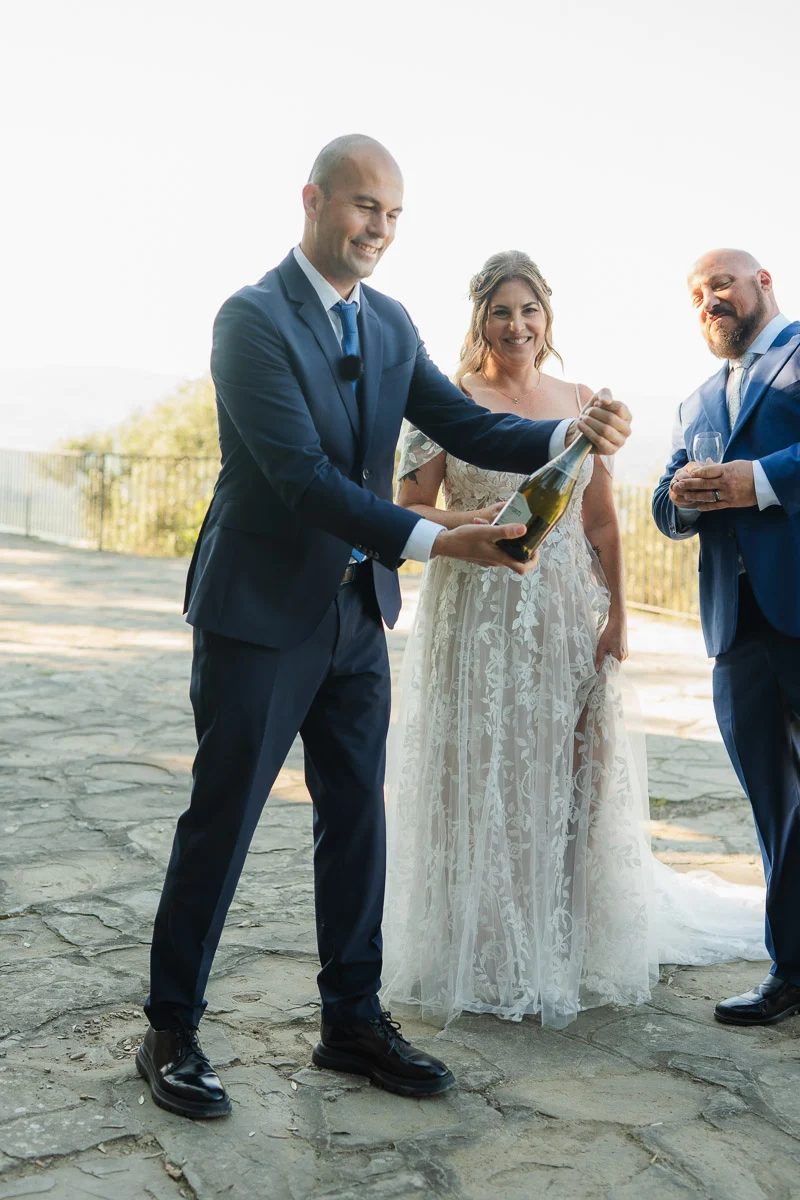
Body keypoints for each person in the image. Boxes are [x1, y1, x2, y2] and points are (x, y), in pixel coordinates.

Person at [135, 138, 633, 1118]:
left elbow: (471, 427)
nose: (379, 228)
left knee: (356, 817)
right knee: (222, 819)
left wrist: (568, 434)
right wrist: (439, 543)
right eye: (365, 206)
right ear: (314, 199)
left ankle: (350, 1022)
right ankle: (170, 1029)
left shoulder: (392, 322)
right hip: (258, 613)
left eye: (394, 214)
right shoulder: (249, 320)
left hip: (356, 613)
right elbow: (301, 480)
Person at [382, 251, 766, 1030]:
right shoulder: (445, 404)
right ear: (480, 320)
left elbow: (599, 521)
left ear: (546, 319)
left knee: (566, 777)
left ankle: (563, 940)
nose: (517, 325)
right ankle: (482, 944)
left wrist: (618, 612)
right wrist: (474, 526)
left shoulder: (582, 402)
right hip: (477, 609)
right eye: (501, 311)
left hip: (562, 608)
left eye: (530, 311)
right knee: (481, 768)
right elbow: (409, 508)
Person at [653, 248, 800, 1027]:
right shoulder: (696, 400)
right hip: (733, 627)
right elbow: (663, 497)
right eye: (696, 294)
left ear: (763, 284)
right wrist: (674, 496)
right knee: (774, 806)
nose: (708, 300)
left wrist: (761, 479)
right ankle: (790, 971)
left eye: (720, 285)